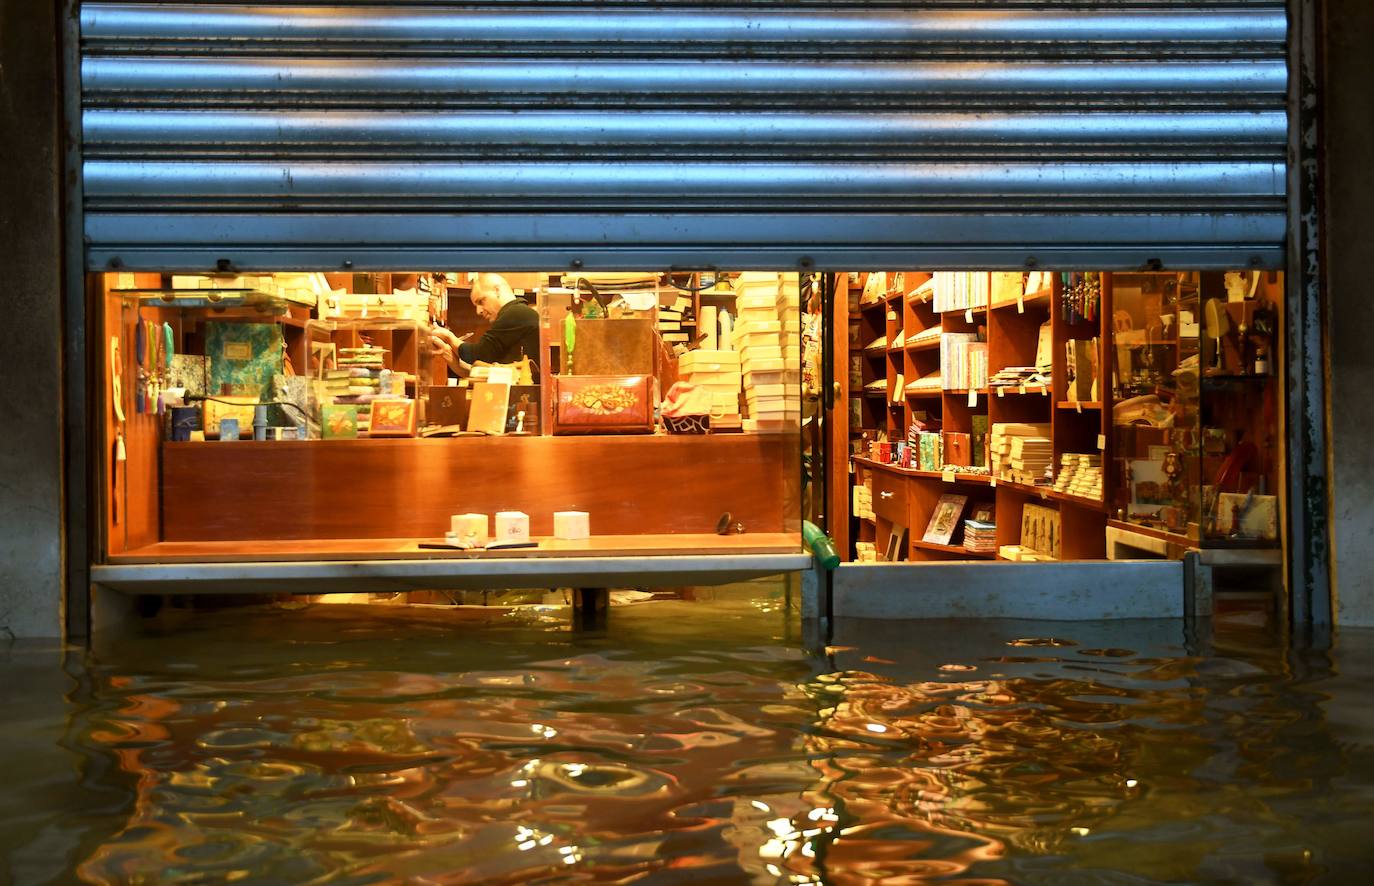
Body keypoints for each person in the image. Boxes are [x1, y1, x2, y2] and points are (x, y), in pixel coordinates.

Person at [431, 273, 540, 377]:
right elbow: (486, 370)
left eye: (481, 301)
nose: (478, 311)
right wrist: (448, 352)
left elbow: (481, 355)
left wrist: (449, 337)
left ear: (497, 290)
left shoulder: (516, 312)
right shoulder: (517, 312)